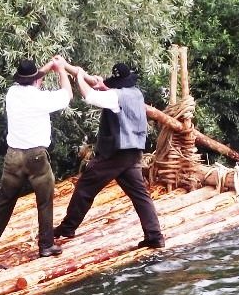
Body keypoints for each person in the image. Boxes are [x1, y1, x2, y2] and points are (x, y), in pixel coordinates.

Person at [54, 63, 165, 249]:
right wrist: (104, 86)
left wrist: (80, 76)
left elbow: (89, 96)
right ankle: (155, 236)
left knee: (85, 186)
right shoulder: (136, 93)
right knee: (140, 195)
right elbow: (113, 96)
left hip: (117, 151)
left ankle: (67, 228)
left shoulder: (115, 96)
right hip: (134, 150)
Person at [0, 56, 73, 257]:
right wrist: (61, 70)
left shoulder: (12, 92)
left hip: (13, 156)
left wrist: (48, 66)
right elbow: (67, 95)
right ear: (36, 80)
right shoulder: (40, 99)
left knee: (4, 200)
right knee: (45, 201)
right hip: (36, 157)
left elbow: (32, 78)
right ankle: (46, 245)